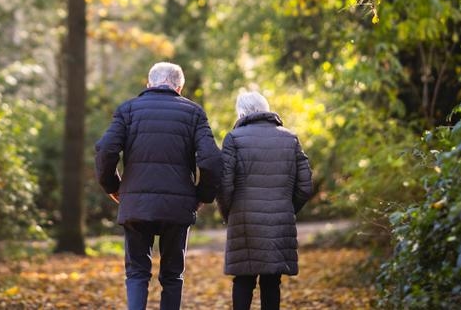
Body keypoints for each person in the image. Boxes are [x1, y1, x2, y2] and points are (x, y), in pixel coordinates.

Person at [95, 62, 222, 310]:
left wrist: (113, 186)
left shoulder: (127, 110)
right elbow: (212, 159)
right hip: (177, 206)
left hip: (136, 205)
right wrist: (201, 195)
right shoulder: (194, 113)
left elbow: (105, 149)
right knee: (173, 275)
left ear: (149, 83)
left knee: (136, 273)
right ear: (179, 87)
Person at [217, 91, 313, 310]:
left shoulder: (233, 139)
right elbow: (305, 186)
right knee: (272, 281)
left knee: (243, 278)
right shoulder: (290, 138)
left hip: (244, 221)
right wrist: (287, 209)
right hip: (279, 221)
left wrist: (229, 213)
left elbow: (224, 185)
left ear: (241, 113)